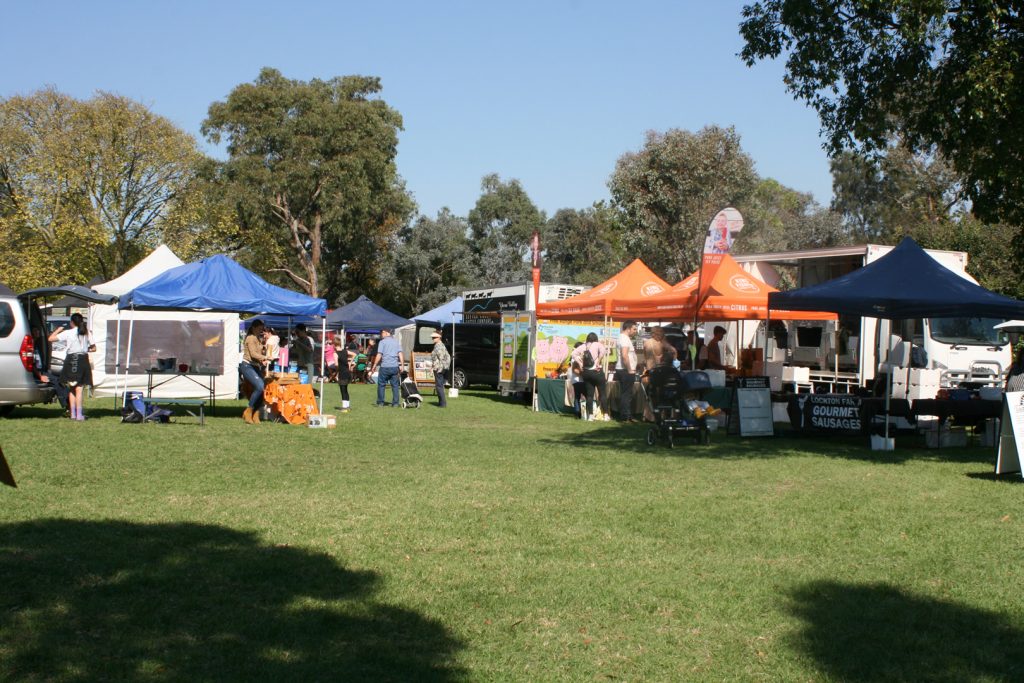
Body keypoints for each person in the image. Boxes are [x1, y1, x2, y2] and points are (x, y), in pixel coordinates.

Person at [48, 312, 95, 421]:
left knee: (72, 388)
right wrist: (86, 349)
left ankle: (73, 414)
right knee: (79, 388)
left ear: (72, 322)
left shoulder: (68, 332)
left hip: (71, 360)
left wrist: (58, 330)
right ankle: (79, 415)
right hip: (82, 360)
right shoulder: (87, 332)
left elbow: (50, 339)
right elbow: (93, 347)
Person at [573, 332, 609, 421]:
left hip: (586, 373)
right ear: (596, 339)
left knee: (589, 395)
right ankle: (606, 415)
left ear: (587, 339)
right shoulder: (597, 344)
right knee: (602, 394)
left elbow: (573, 354)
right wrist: (598, 360)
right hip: (597, 372)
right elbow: (603, 351)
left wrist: (580, 363)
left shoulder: (583, 346)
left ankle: (590, 416)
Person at [239, 319, 268, 424]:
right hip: (247, 366)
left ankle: (255, 413)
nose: (261, 330)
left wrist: (262, 361)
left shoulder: (257, 338)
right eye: (260, 328)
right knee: (260, 387)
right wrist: (266, 357)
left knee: (262, 390)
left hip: (255, 366)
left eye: (262, 329)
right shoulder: (251, 338)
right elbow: (253, 354)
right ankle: (249, 410)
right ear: (254, 328)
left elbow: (257, 355)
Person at [370, 328, 403, 406]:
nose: (381, 334)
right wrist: (402, 365)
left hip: (385, 366)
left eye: (382, 332)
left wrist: (374, 365)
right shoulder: (396, 342)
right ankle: (395, 403)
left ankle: (380, 402)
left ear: (387, 333)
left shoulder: (382, 342)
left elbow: (379, 354)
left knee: (381, 385)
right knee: (395, 386)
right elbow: (400, 354)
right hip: (394, 366)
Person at [614, 320, 639, 422]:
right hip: (625, 370)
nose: (635, 331)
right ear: (628, 329)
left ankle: (627, 415)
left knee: (626, 394)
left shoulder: (623, 338)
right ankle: (625, 416)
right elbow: (624, 355)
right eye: (634, 329)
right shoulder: (624, 339)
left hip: (623, 369)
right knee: (627, 394)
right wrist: (630, 370)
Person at [430, 330, 451, 407]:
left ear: (439, 338)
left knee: (439, 386)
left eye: (434, 337)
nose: (433, 339)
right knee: (440, 386)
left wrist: (440, 369)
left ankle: (442, 404)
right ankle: (441, 402)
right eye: (432, 337)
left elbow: (442, 358)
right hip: (441, 368)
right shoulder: (440, 345)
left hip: (439, 369)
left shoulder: (438, 346)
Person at [568, 342, 587, 418]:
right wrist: (582, 374)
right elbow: (574, 369)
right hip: (579, 380)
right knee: (585, 396)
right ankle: (580, 412)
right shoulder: (576, 357)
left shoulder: (574, 357)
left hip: (576, 380)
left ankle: (578, 413)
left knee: (577, 397)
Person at [333, 335, 352, 412]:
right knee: (346, 390)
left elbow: (336, 365)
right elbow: (354, 354)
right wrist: (350, 363)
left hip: (342, 373)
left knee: (343, 390)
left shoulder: (335, 353)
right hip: (347, 372)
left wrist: (336, 373)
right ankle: (347, 406)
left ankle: (344, 407)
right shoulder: (345, 351)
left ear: (334, 345)